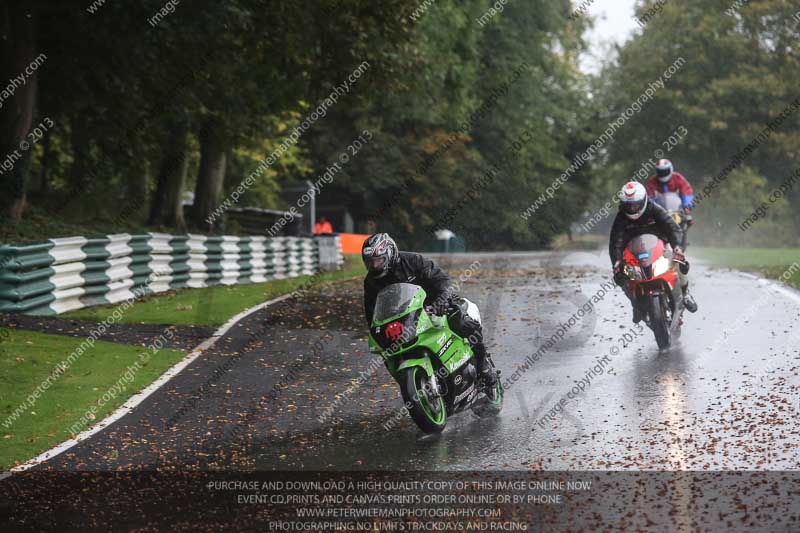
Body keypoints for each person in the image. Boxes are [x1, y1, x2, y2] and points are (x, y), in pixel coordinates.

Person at [361, 233, 499, 394]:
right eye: (370, 262)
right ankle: (414, 384)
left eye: (378, 260)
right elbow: (372, 312)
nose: (374, 266)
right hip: (405, 317)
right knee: (387, 351)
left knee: (459, 318)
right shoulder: (370, 281)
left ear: (390, 254)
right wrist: (376, 332)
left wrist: (442, 299)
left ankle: (483, 365)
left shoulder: (413, 261)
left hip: (435, 304)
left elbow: (441, 279)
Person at [609, 181, 698, 323]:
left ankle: (686, 293)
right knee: (622, 273)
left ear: (644, 200)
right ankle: (635, 304)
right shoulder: (621, 218)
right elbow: (615, 242)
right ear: (623, 204)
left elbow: (672, 227)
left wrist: (677, 247)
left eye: (636, 204)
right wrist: (617, 263)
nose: (632, 208)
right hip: (634, 251)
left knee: (677, 259)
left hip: (659, 245)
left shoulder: (654, 208)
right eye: (629, 205)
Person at [645, 159, 695, 230]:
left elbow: (687, 193)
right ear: (657, 172)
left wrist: (686, 208)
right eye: (660, 172)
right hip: (659, 213)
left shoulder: (678, 178)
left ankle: (682, 239)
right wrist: (651, 212)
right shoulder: (652, 182)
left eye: (665, 171)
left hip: (677, 211)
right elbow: (649, 199)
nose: (663, 174)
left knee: (686, 221)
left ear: (670, 169)